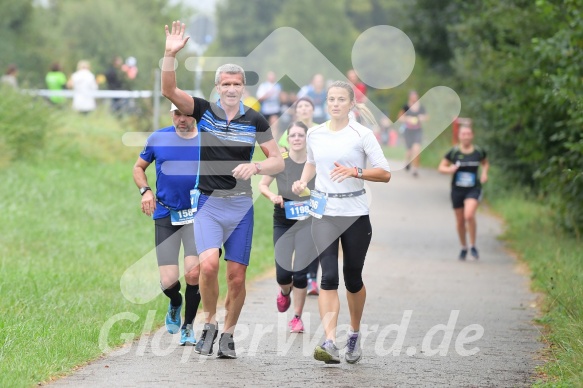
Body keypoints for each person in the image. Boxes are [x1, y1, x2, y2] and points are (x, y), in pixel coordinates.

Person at [161, 20, 284, 359]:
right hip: (209, 204)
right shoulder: (204, 112)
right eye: (226, 83)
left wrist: (257, 166)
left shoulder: (255, 120)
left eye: (237, 83)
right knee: (209, 266)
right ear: (217, 87)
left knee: (237, 278)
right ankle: (210, 322)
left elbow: (278, 161)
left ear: (243, 87)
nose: (231, 88)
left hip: (241, 207)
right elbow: (170, 92)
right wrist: (169, 55)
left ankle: (228, 334)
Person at [292, 81, 391, 364]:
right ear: (326, 103)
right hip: (323, 212)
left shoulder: (362, 134)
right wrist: (302, 180)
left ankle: (354, 334)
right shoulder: (315, 133)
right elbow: (312, 162)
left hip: (355, 213)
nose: (335, 104)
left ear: (351, 104)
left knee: (353, 277)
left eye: (341, 100)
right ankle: (330, 341)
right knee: (329, 277)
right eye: (331, 99)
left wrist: (356, 171)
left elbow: (385, 173)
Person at [133, 103, 202, 345]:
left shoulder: (207, 140)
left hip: (197, 215)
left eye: (186, 114)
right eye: (177, 114)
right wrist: (145, 191)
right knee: (169, 281)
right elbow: (139, 167)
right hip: (166, 213)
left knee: (194, 272)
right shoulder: (158, 138)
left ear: (196, 115)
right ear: (172, 114)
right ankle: (175, 302)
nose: (181, 119)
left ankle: (188, 327)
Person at [258, 121, 317, 334]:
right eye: (293, 135)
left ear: (306, 138)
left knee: (300, 273)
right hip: (282, 221)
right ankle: (284, 292)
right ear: (288, 139)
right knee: (283, 274)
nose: (297, 138)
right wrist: (273, 196)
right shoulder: (280, 161)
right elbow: (262, 185)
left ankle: (297, 317)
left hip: (306, 223)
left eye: (301, 135)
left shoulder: (315, 163)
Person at [438, 125, 489, 260]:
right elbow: (441, 167)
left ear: (472, 135)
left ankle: (473, 245)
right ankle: (463, 247)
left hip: (473, 188)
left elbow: (485, 163)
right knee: (460, 221)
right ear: (459, 136)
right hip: (457, 190)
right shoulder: (454, 152)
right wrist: (449, 170)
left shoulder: (478, 151)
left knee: (469, 215)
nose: (466, 136)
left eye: (468, 133)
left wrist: (484, 173)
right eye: (463, 134)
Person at [397, 90, 427, 176]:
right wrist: (407, 119)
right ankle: (407, 162)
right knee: (409, 150)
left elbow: (427, 117)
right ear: (410, 97)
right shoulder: (406, 106)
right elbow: (400, 118)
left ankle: (415, 169)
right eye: (412, 96)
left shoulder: (421, 107)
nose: (414, 97)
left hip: (418, 130)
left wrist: (423, 118)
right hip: (408, 131)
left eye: (415, 96)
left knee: (416, 149)